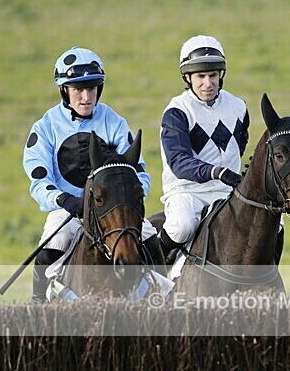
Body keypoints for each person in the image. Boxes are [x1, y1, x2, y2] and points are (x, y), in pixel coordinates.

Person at [23, 46, 162, 302]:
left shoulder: (114, 121)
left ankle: (165, 297)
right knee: (50, 248)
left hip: (112, 210)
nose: (86, 97)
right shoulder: (45, 127)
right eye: (78, 89)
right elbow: (39, 181)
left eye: (92, 88)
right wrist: (65, 200)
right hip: (68, 210)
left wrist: (127, 200)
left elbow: (139, 173)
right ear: (64, 90)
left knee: (152, 239)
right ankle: (37, 303)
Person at [158, 34, 250, 260]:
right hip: (188, 191)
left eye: (213, 75)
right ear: (187, 77)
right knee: (182, 227)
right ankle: (153, 263)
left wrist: (225, 174)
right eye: (201, 76)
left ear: (221, 75)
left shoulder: (238, 107)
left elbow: (239, 145)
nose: (208, 84)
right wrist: (216, 172)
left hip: (227, 190)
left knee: (272, 225)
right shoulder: (177, 112)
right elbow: (179, 161)